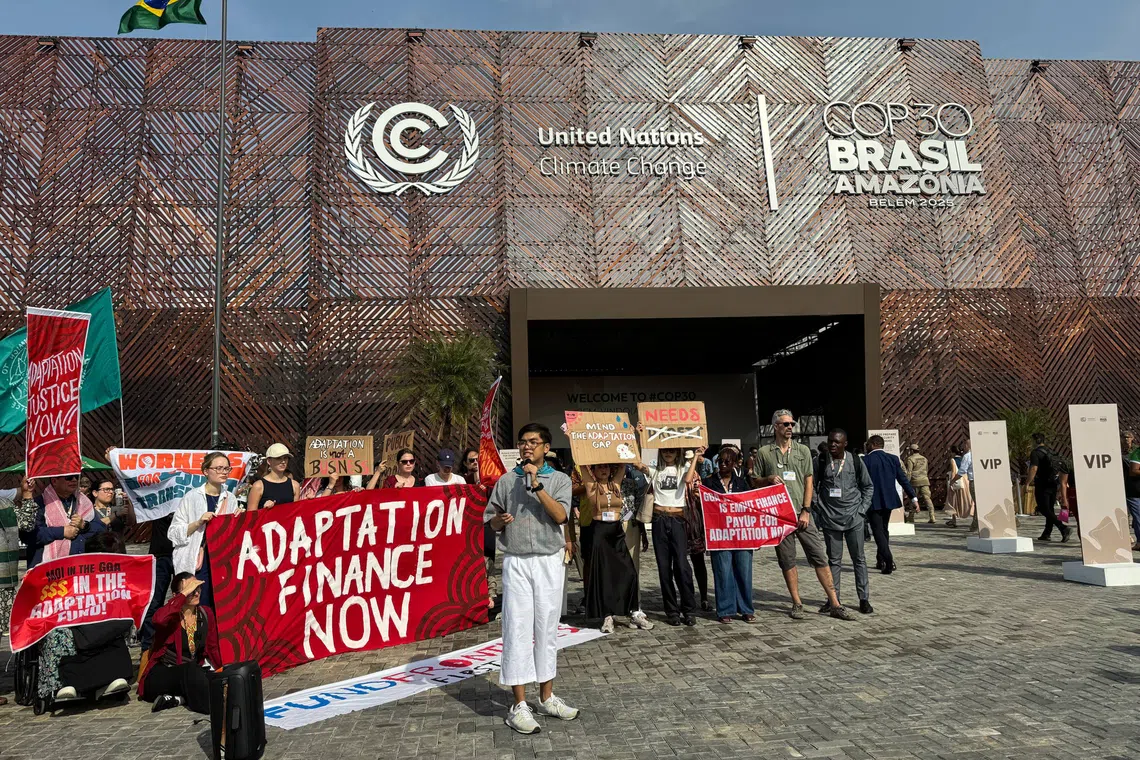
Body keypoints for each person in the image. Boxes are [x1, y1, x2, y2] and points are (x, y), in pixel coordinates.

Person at [484, 423, 578, 734]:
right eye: (523, 442)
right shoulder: (506, 481)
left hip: (549, 561)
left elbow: (561, 516)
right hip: (517, 561)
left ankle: (547, 697)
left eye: (534, 442)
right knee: (517, 628)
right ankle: (519, 705)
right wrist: (499, 520)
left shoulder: (560, 480)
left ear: (546, 448)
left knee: (547, 628)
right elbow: (491, 520)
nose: (527, 447)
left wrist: (537, 486)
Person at [752, 409, 850, 621]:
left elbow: (808, 480)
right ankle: (797, 602)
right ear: (775, 427)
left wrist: (806, 510)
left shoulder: (803, 450)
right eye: (785, 424)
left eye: (791, 423)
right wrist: (768, 479)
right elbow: (754, 481)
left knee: (819, 556)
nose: (790, 427)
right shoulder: (764, 452)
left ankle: (835, 602)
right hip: (779, 516)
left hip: (801, 513)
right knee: (787, 560)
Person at [37, 531, 133, 704]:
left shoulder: (122, 577)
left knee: (116, 627)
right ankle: (61, 684)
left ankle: (105, 680)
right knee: (55, 633)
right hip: (77, 625)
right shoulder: (75, 573)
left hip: (105, 626)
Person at [631, 444, 700, 626]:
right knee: (664, 568)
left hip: (678, 520)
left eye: (672, 450)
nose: (668, 453)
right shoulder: (654, 470)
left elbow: (689, 479)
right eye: (665, 450)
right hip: (659, 520)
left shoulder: (683, 468)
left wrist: (695, 456)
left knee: (682, 566)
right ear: (660, 452)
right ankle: (672, 611)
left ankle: (689, 609)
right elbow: (638, 464)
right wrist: (634, 435)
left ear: (677, 453)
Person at [139, 572, 223, 714]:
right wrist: (184, 593)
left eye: (198, 589)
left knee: (213, 677)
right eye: (191, 590)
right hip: (163, 674)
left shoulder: (206, 613)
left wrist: (223, 671)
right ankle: (213, 708)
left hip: (190, 674)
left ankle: (178, 699)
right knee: (190, 670)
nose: (196, 593)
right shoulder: (170, 617)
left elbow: (212, 648)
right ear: (177, 595)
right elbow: (158, 620)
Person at [814, 429, 875, 615]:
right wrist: (820, 509)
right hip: (830, 519)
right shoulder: (821, 461)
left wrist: (862, 511)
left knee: (859, 560)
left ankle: (863, 598)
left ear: (845, 444)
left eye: (837, 442)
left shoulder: (856, 461)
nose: (833, 445)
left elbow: (868, 486)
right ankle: (833, 599)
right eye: (830, 441)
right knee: (833, 561)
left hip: (853, 518)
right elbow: (812, 488)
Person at [577, 464, 642, 633]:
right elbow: (583, 464)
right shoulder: (591, 486)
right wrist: (574, 439)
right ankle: (607, 616)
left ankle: (633, 611)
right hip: (599, 531)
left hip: (617, 531)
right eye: (599, 468)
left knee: (630, 572)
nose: (603, 470)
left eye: (606, 467)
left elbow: (622, 464)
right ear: (594, 471)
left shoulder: (616, 484)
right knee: (603, 575)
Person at [169, 452, 234, 611]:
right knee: (198, 602)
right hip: (198, 560)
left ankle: (214, 635)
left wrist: (236, 519)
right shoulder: (192, 497)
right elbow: (173, 533)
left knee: (220, 604)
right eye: (218, 468)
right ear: (206, 471)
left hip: (220, 560)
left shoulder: (230, 498)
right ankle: (197, 635)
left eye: (227, 468)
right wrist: (198, 522)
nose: (223, 472)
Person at [698, 446, 755, 623]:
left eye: (726, 461)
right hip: (719, 535)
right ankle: (725, 609)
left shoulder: (741, 483)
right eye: (719, 461)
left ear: (735, 463)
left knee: (744, 572)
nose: (722, 465)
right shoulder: (708, 483)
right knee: (723, 572)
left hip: (741, 535)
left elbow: (751, 507)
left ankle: (746, 608)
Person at [863, 435, 918, 575]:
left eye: (868, 443)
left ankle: (888, 559)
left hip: (872, 500)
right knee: (884, 529)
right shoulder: (893, 459)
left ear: (873, 444)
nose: (867, 446)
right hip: (889, 500)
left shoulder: (865, 460)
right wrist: (913, 498)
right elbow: (903, 479)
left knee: (877, 531)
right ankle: (880, 559)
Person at [30, 473, 107, 568]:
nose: (74, 480)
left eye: (76, 477)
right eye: (69, 478)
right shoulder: (39, 503)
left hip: (82, 567)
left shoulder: (83, 502)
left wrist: (85, 526)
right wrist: (62, 532)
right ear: (54, 481)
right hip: (49, 571)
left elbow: (101, 529)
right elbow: (30, 535)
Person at [620, 462, 653, 628]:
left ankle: (635, 606)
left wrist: (643, 532)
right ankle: (613, 608)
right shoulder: (601, 479)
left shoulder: (633, 480)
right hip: (608, 526)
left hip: (631, 526)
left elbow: (640, 506)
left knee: (633, 567)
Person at [1027, 433, 1071, 542]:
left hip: (1042, 484)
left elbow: (1033, 469)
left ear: (1034, 441)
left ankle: (1063, 528)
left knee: (1043, 508)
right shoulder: (1051, 452)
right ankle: (1047, 533)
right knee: (1049, 509)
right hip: (1053, 484)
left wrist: (1027, 483)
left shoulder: (1035, 453)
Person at [247, 443, 300, 511]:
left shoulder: (295, 485)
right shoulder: (258, 486)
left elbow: (295, 513)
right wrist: (263, 509)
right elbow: (251, 516)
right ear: (269, 461)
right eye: (278, 458)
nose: (283, 461)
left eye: (285, 458)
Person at [904, 444, 935, 523]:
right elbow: (926, 470)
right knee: (927, 498)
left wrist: (907, 482)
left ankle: (911, 516)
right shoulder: (924, 458)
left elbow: (909, 472)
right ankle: (932, 516)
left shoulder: (910, 459)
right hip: (924, 480)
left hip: (915, 481)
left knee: (913, 498)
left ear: (911, 450)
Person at [944, 445, 972, 528]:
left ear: (952, 452)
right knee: (966, 499)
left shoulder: (953, 460)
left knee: (952, 500)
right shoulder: (963, 458)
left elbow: (953, 472)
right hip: (966, 480)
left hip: (957, 480)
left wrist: (951, 482)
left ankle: (954, 520)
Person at [1123, 432, 1140, 551]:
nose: (1126, 439)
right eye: (1123, 437)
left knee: (1136, 516)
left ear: (1132, 438)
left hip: (1134, 485)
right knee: (1125, 514)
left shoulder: (1134, 451)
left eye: (1128, 437)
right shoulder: (1117, 452)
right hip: (1127, 486)